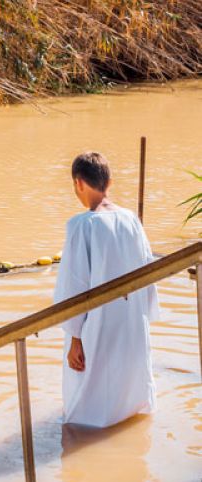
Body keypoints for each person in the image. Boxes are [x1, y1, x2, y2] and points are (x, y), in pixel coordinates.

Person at [54, 152, 160, 428]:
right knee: (128, 385)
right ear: (109, 181)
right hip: (132, 318)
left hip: (98, 322)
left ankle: (88, 434)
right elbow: (148, 270)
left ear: (78, 183)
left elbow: (74, 284)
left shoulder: (81, 225)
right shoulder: (131, 220)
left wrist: (75, 336)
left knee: (88, 396)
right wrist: (143, 314)